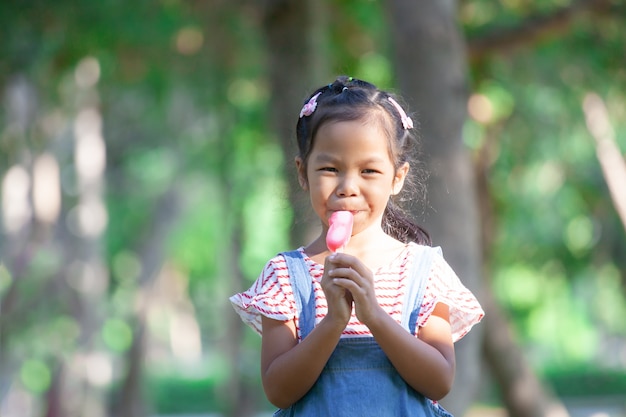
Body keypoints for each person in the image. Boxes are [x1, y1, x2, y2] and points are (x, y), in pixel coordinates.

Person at [230, 76, 484, 416]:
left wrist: (374, 315)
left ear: (397, 177)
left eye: (369, 171)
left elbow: (439, 381)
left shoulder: (424, 272)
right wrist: (334, 320)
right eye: (330, 168)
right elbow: (278, 390)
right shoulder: (285, 277)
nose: (348, 187)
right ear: (303, 173)